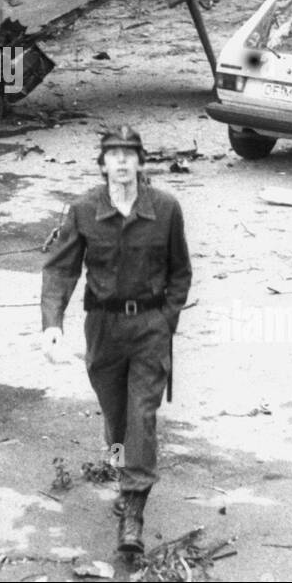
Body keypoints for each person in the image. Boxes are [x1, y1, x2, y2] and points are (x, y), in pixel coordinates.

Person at [40, 125, 193, 554]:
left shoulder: (165, 208)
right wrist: (52, 323)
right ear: (102, 163)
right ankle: (125, 474)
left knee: (140, 415)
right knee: (116, 418)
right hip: (103, 328)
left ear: (140, 161)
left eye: (130, 153)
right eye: (114, 154)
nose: (122, 161)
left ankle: (134, 508)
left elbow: (181, 271)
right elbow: (60, 268)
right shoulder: (84, 209)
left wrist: (167, 320)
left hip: (148, 327)